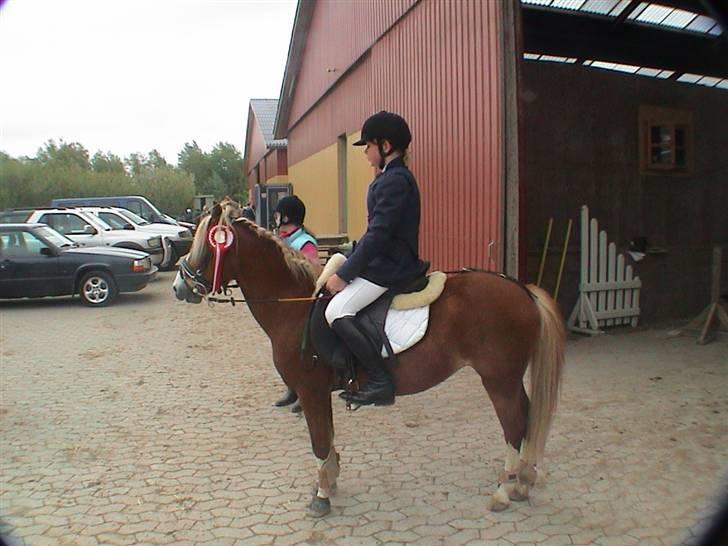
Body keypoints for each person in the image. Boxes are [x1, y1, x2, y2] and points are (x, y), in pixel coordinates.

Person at [324, 111, 427, 406]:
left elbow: (380, 234)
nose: (367, 154)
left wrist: (344, 275)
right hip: (383, 261)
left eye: (368, 147)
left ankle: (381, 382)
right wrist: (348, 257)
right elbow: (373, 233)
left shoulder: (395, 181)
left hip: (391, 267)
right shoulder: (391, 178)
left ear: (385, 145)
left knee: (336, 312)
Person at [272, 195, 319, 413]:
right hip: (285, 302)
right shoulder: (281, 239)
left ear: (287, 216)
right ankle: (292, 386)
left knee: (301, 347)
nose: (276, 218)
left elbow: (310, 271)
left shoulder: (305, 243)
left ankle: (304, 390)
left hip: (303, 302)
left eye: (279, 214)